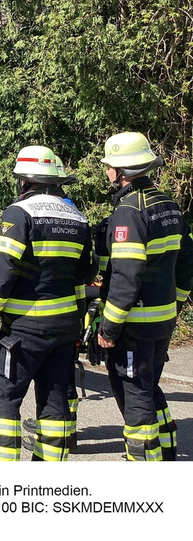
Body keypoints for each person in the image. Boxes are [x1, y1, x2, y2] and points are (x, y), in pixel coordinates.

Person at [0, 145, 92, 461]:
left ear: (24, 181)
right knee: (54, 402)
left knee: (5, 398)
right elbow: (85, 272)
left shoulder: (20, 213)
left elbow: (3, 270)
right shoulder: (77, 216)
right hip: (64, 330)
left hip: (22, 331)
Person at [96, 132, 193, 461]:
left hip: (134, 324)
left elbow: (126, 275)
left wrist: (108, 328)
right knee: (149, 384)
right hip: (163, 320)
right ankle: (166, 452)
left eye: (109, 167)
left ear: (120, 171)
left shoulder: (129, 211)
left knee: (134, 391)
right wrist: (175, 305)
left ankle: (143, 464)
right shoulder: (168, 205)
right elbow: (187, 264)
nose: (107, 172)